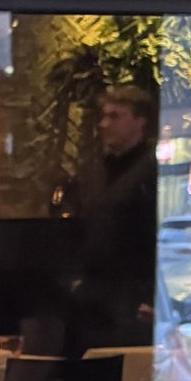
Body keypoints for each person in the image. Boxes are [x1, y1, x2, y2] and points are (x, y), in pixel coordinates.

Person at [68, 84, 160, 353]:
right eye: (104, 116)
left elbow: (157, 236)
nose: (104, 124)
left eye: (115, 116)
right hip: (96, 298)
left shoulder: (151, 171)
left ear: (140, 122)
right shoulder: (97, 170)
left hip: (132, 300)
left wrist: (151, 297)